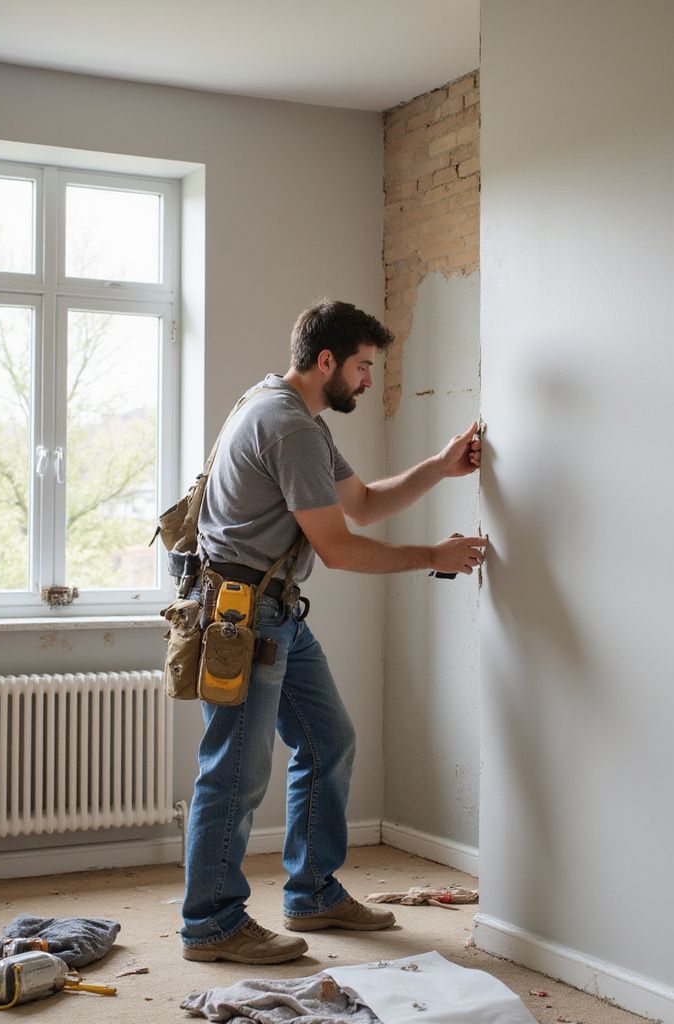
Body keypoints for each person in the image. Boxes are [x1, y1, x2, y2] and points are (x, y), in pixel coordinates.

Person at [180, 298, 486, 965]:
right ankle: (210, 925)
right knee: (233, 773)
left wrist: (439, 466)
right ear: (327, 362)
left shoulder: (296, 418)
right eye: (364, 366)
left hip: (274, 609)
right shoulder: (285, 424)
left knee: (328, 741)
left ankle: (313, 893)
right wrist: (432, 557)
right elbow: (342, 548)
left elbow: (362, 506)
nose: (369, 381)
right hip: (243, 615)